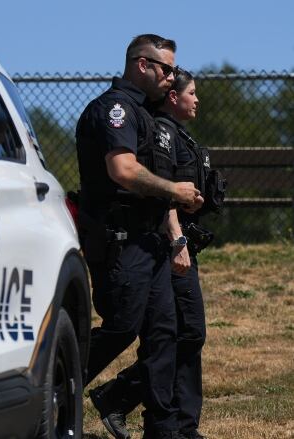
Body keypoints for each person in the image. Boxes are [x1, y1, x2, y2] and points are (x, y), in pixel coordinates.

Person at [75, 34, 203, 439]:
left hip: (150, 242)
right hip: (119, 241)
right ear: (142, 65)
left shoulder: (148, 116)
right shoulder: (116, 109)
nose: (172, 77)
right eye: (166, 69)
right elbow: (124, 171)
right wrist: (174, 192)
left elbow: (152, 181)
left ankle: (164, 431)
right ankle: (54, 382)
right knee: (121, 326)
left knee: (164, 337)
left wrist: (173, 232)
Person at [89, 70, 226, 439]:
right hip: (160, 244)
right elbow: (160, 193)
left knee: (180, 334)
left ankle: (175, 425)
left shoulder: (174, 132)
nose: (196, 99)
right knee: (157, 331)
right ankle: (121, 399)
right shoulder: (153, 128)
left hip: (174, 243)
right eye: (191, 92)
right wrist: (178, 239)